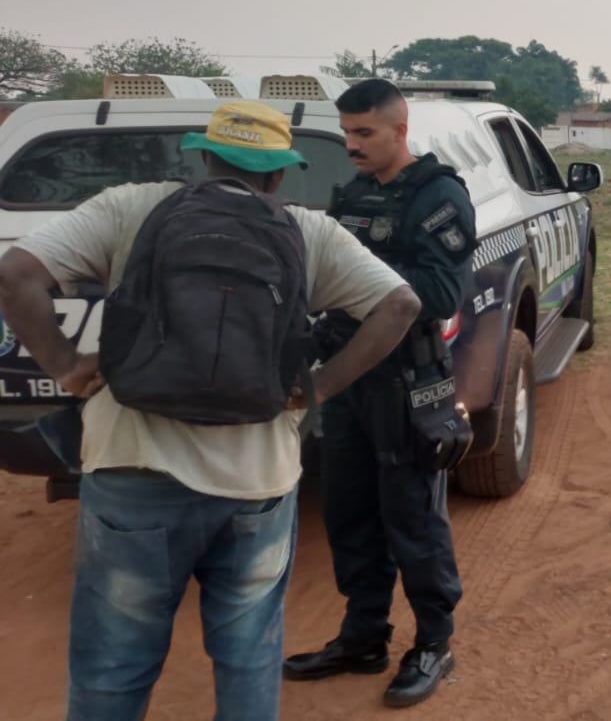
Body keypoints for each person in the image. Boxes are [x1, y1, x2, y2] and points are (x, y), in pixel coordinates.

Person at [0, 101, 421, 721]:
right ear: (279, 174)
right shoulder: (307, 231)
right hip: (257, 483)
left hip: (132, 472)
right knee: (247, 658)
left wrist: (65, 364)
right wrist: (321, 385)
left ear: (203, 158)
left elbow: (14, 275)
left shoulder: (131, 207)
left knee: (113, 667)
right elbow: (401, 305)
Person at [283, 79, 478, 709]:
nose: (352, 144)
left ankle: (433, 643)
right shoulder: (357, 192)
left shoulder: (438, 194)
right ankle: (362, 636)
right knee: (349, 514)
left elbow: (442, 292)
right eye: (346, 133)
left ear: (400, 129)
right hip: (347, 375)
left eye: (364, 133)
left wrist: (356, 275)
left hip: (406, 381)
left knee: (413, 518)